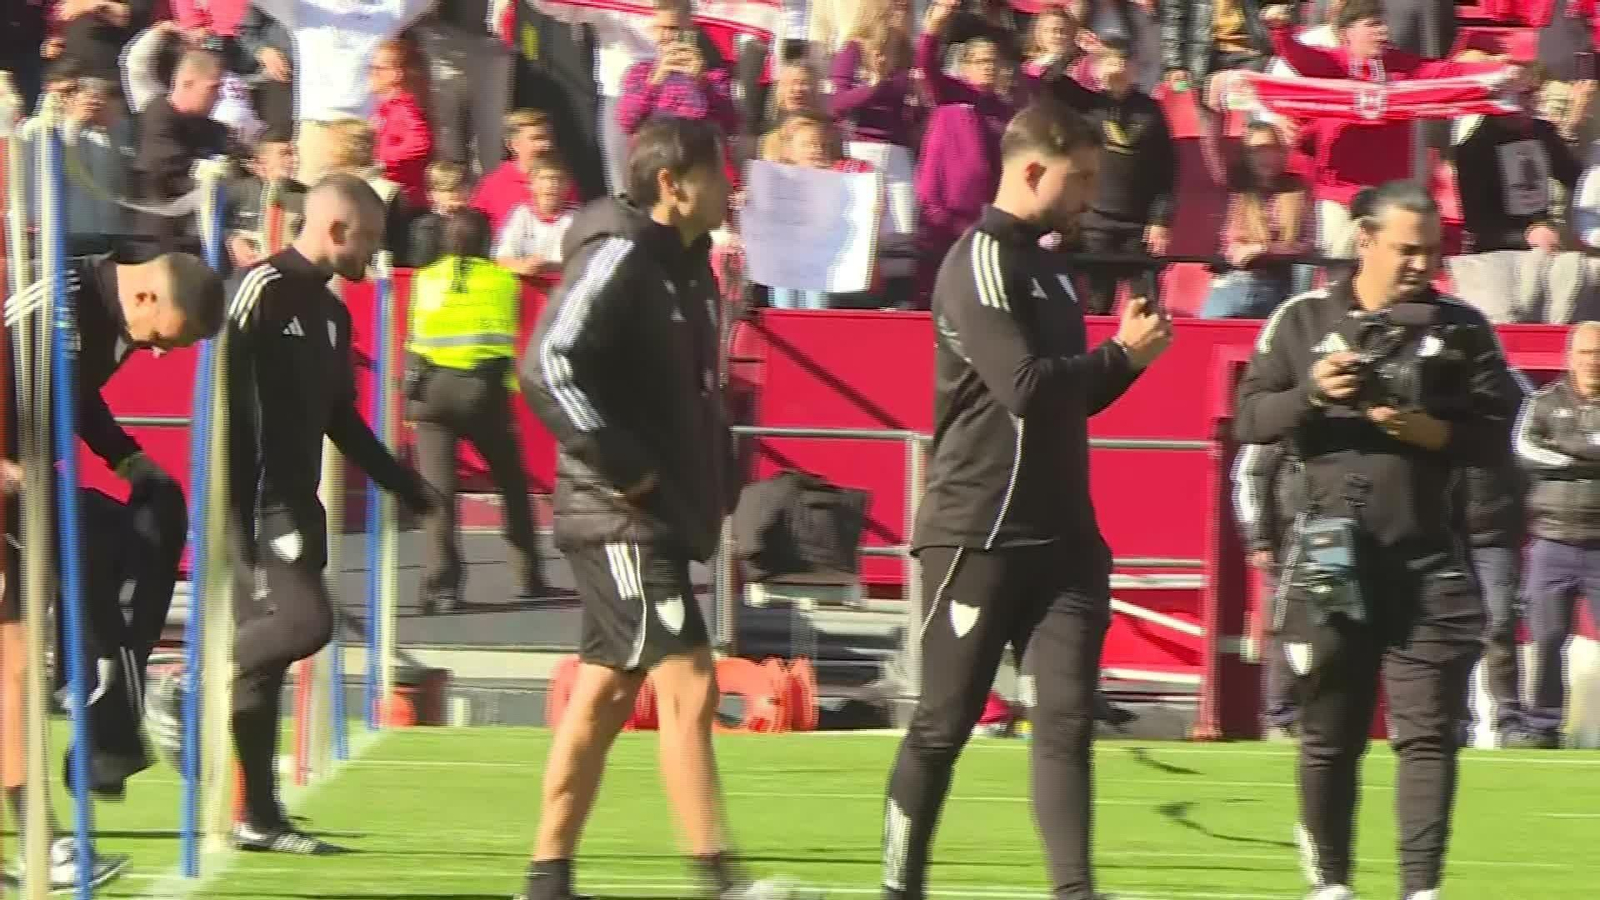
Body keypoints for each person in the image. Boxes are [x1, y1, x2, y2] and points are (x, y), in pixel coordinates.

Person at [882, 97, 1172, 900]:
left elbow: (1072, 402)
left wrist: (1127, 361)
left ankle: (1074, 892)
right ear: (1034, 169)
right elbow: (1024, 388)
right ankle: (898, 886)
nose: (1090, 198)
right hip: (979, 533)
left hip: (1064, 542)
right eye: (1080, 179)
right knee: (943, 725)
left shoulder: (1052, 269)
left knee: (1067, 725)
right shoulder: (979, 261)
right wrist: (1119, 356)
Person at [517, 117, 788, 900]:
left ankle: (545, 878)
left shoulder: (686, 269)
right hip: (619, 517)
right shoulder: (621, 253)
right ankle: (718, 879)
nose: (731, 186)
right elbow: (547, 365)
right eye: (718, 173)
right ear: (671, 184)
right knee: (691, 681)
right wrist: (628, 470)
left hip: (651, 517)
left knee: (604, 697)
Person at [1233, 180, 1523, 900]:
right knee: (1330, 731)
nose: (1423, 264)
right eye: (1407, 249)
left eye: (1432, 250)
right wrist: (1313, 393)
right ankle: (1331, 884)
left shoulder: (1463, 327)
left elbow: (1502, 434)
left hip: (1427, 555)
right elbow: (1249, 418)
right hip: (1330, 553)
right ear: (1364, 239)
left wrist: (1435, 433)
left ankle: (1421, 889)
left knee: (1429, 733)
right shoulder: (1302, 318)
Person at [219, 173, 436, 853]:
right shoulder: (260, 288)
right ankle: (190, 682)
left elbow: (340, 418)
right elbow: (219, 400)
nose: (374, 253)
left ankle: (259, 817)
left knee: (265, 669)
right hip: (255, 504)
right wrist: (231, 518)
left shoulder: (334, 314)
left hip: (299, 503)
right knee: (306, 623)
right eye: (368, 238)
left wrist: (402, 483)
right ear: (336, 229)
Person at [2, 250, 226, 889]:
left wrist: (127, 458)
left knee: (17, 663)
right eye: (161, 340)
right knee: (15, 666)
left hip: (23, 492)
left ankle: (106, 720)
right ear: (148, 297)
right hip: (11, 488)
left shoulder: (105, 322)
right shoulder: (51, 301)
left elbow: (72, 397)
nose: (155, 354)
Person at [408, 209, 546, 612]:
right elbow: (508, 333)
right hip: (483, 392)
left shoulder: (424, 279)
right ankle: (527, 576)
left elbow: (415, 338)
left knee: (437, 493)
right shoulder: (503, 281)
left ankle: (441, 588)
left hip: (430, 391)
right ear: (487, 243)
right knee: (512, 484)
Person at [1512, 321, 1600, 748]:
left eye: (1599, 354)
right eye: (1585, 353)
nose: (1593, 361)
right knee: (1547, 639)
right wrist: (1580, 459)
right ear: (1570, 358)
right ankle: (1543, 726)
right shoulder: (1543, 402)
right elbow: (1523, 450)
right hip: (1552, 541)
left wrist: (1567, 452)